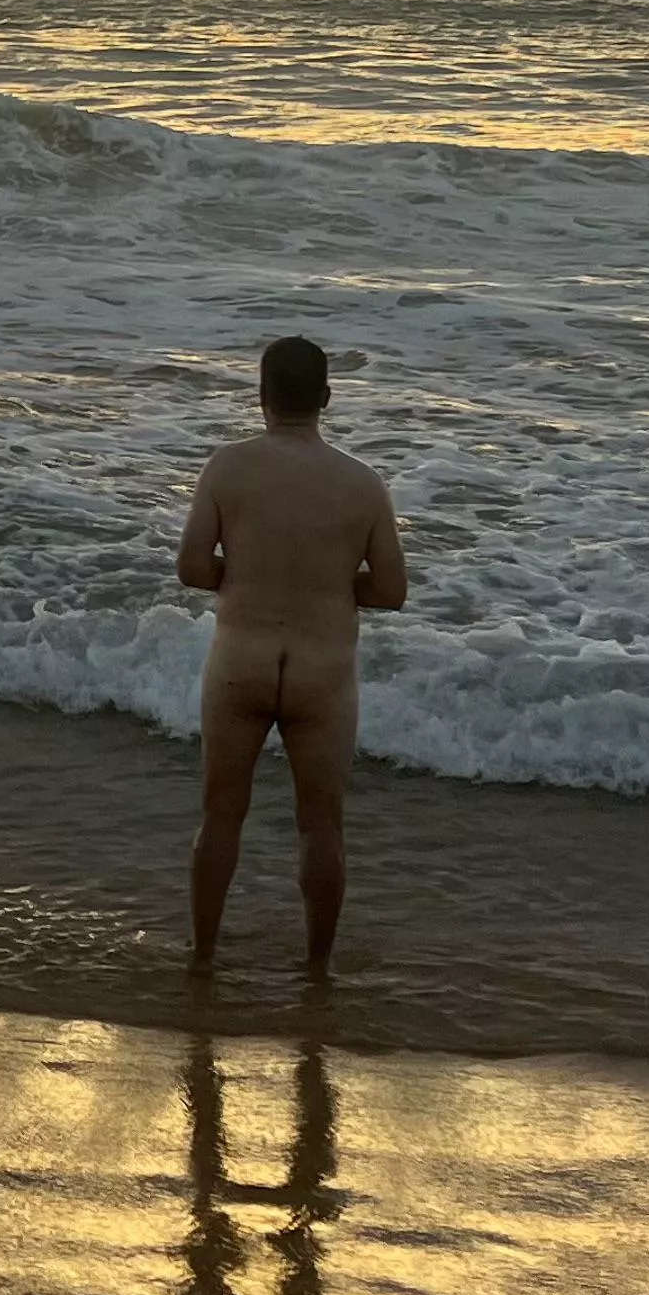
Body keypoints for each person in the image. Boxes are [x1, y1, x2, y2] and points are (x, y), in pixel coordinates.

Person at [175, 335, 407, 980]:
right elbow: (391, 589)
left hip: (239, 664)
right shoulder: (363, 485)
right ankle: (317, 966)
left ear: (261, 398)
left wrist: (250, 575)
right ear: (326, 399)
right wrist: (326, 586)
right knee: (320, 825)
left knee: (221, 815)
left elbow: (193, 567)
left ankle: (202, 957)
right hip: (321, 675)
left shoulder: (227, 468)